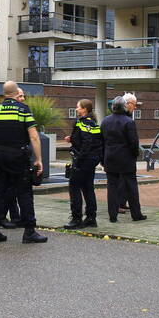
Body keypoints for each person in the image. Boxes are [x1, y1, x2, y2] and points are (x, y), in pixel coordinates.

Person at [0, 81, 47, 244]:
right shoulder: (23, 109)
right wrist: (39, 159)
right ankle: (29, 231)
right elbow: (33, 136)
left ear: (4, 93)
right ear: (15, 92)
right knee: (24, 192)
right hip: (18, 157)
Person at [101, 93, 147, 223]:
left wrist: (103, 158)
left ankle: (112, 216)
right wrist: (134, 155)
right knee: (131, 187)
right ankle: (136, 214)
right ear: (124, 107)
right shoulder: (129, 122)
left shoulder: (105, 121)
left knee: (112, 187)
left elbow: (102, 142)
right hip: (126, 159)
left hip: (110, 158)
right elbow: (134, 143)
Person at [63, 98, 102, 229]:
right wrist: (72, 139)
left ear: (85, 109)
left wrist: (79, 159)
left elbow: (87, 142)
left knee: (74, 187)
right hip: (91, 161)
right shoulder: (94, 123)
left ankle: (76, 219)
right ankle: (91, 218)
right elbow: (92, 140)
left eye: (78, 107)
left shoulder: (82, 123)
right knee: (88, 188)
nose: (76, 109)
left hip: (83, 161)